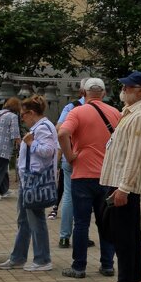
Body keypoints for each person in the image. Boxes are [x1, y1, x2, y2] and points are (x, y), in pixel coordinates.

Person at [95, 71, 141, 282]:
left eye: (128, 87)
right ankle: (135, 279)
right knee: (128, 233)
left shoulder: (140, 115)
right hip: (117, 181)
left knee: (120, 233)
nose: (123, 91)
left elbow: (134, 155)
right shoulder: (130, 113)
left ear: (139, 91)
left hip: (122, 183)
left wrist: (124, 188)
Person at [58, 78, 121, 280]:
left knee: (82, 223)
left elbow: (63, 132)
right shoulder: (115, 113)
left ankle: (79, 267)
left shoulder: (76, 112)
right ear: (103, 93)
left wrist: (69, 156)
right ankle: (107, 265)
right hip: (107, 176)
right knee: (106, 223)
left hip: (83, 175)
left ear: (83, 92)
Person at [0, 96, 57, 272]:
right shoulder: (40, 127)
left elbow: (48, 151)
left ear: (31, 113)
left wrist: (31, 143)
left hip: (35, 181)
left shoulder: (43, 128)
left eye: (23, 115)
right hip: (29, 180)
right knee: (24, 220)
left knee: (36, 221)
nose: (22, 118)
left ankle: (43, 259)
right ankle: (18, 257)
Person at [52, 82, 85, 241]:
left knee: (68, 196)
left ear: (82, 91)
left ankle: (64, 236)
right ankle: (82, 236)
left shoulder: (72, 107)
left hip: (71, 157)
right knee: (89, 198)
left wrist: (68, 152)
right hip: (93, 162)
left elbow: (59, 129)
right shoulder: (107, 110)